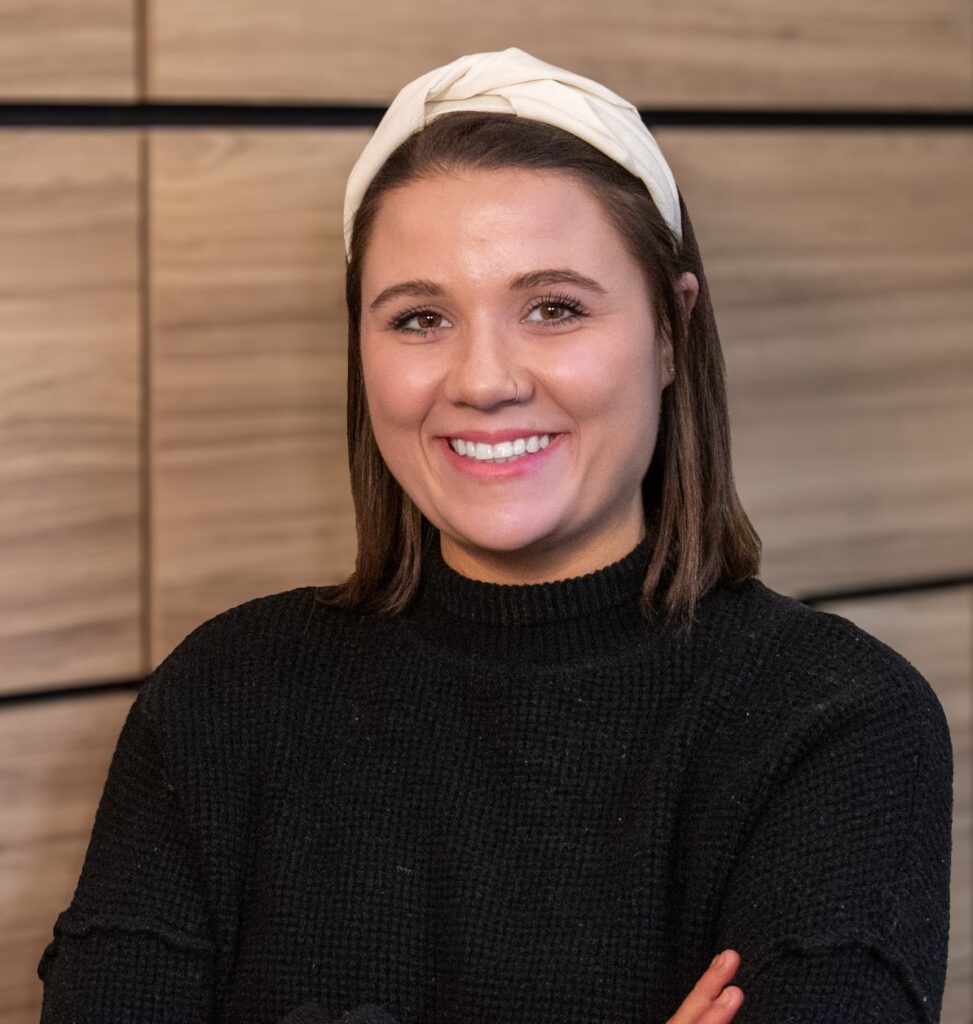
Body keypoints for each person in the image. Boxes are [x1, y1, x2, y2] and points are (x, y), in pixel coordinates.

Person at [36, 47, 952, 1024]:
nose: (482, 379)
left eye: (553, 308)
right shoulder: (219, 699)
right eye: (420, 316)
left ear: (671, 332)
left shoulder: (837, 726)